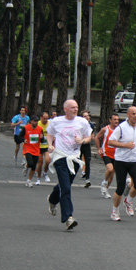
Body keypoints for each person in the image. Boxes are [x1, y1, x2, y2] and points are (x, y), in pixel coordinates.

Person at [46, 99, 92, 230]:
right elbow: (49, 133)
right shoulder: (56, 121)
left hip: (74, 159)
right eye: (72, 107)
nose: (75, 109)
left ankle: (52, 199)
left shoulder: (82, 122)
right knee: (66, 187)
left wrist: (82, 140)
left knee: (64, 185)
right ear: (65, 109)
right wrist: (50, 144)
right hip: (60, 156)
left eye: (77, 107)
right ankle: (68, 218)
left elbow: (89, 136)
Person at [108, 106, 136, 221]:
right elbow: (110, 141)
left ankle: (128, 200)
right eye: (133, 114)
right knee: (120, 187)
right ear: (128, 115)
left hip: (134, 160)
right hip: (121, 160)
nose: (135, 116)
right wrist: (125, 145)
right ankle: (115, 211)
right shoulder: (121, 127)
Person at [94, 113, 120, 199]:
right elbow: (97, 137)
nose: (116, 121)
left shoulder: (120, 130)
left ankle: (105, 189)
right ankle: (104, 182)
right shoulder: (105, 129)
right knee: (110, 169)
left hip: (116, 154)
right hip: (106, 153)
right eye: (114, 119)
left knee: (111, 175)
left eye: (117, 119)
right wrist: (99, 148)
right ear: (110, 120)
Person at [20, 115, 43, 187]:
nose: (36, 122)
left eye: (37, 121)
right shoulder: (26, 128)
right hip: (28, 148)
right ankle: (27, 166)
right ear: (31, 121)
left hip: (36, 149)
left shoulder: (40, 129)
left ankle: (29, 180)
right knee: (30, 162)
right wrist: (24, 140)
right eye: (34, 121)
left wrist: (42, 138)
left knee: (33, 166)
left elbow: (42, 140)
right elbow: (20, 136)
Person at [79, 110, 95, 188]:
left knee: (87, 161)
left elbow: (92, 135)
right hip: (79, 145)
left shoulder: (91, 125)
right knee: (76, 162)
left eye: (88, 116)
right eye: (85, 116)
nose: (87, 117)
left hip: (86, 145)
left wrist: (91, 137)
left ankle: (87, 179)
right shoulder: (78, 125)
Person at [36, 111, 52, 183]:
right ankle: (38, 178)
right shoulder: (37, 124)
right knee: (40, 163)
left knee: (48, 161)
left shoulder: (50, 124)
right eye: (44, 119)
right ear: (41, 118)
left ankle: (45, 173)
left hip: (47, 145)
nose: (46, 120)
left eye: (47, 119)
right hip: (38, 146)